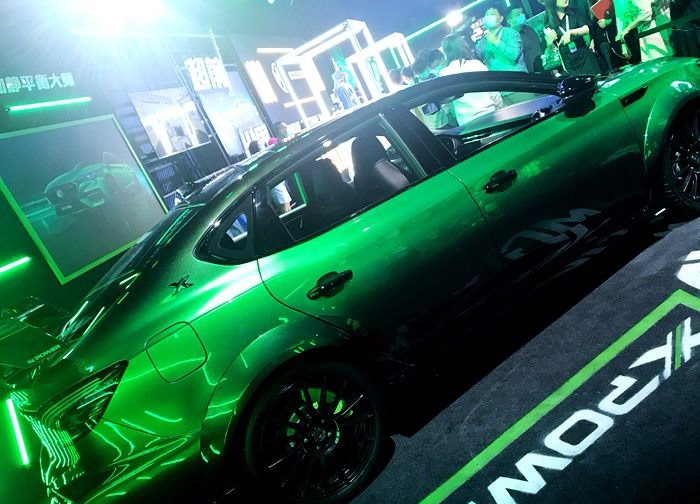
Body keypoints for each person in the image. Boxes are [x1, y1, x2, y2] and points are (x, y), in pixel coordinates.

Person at [440, 35, 503, 124]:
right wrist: (500, 109)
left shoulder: (444, 73)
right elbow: (493, 91)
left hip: (466, 122)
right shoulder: (477, 65)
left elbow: (447, 103)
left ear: (446, 52)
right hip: (489, 114)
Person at [544, 0, 602, 74]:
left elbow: (586, 29)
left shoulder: (574, 12)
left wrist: (571, 32)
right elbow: (551, 53)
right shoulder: (548, 23)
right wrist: (549, 44)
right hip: (568, 65)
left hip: (584, 57)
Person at [476, 5, 528, 71]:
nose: (489, 17)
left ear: (501, 18)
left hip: (516, 76)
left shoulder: (510, 33)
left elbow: (514, 55)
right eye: (487, 15)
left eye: (492, 14)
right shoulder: (482, 42)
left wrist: (496, 42)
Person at [507, 6, 544, 72]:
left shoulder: (529, 29)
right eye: (518, 14)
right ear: (509, 20)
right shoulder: (510, 38)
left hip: (544, 65)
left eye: (522, 13)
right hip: (531, 73)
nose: (522, 15)